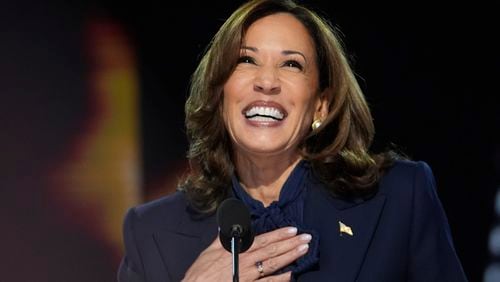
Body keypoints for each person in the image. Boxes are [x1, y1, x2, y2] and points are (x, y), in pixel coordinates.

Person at [117, 0, 468, 281]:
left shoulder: (400, 197)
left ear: (321, 105)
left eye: (292, 65)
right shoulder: (152, 232)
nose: (267, 81)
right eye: (246, 60)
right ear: (220, 94)